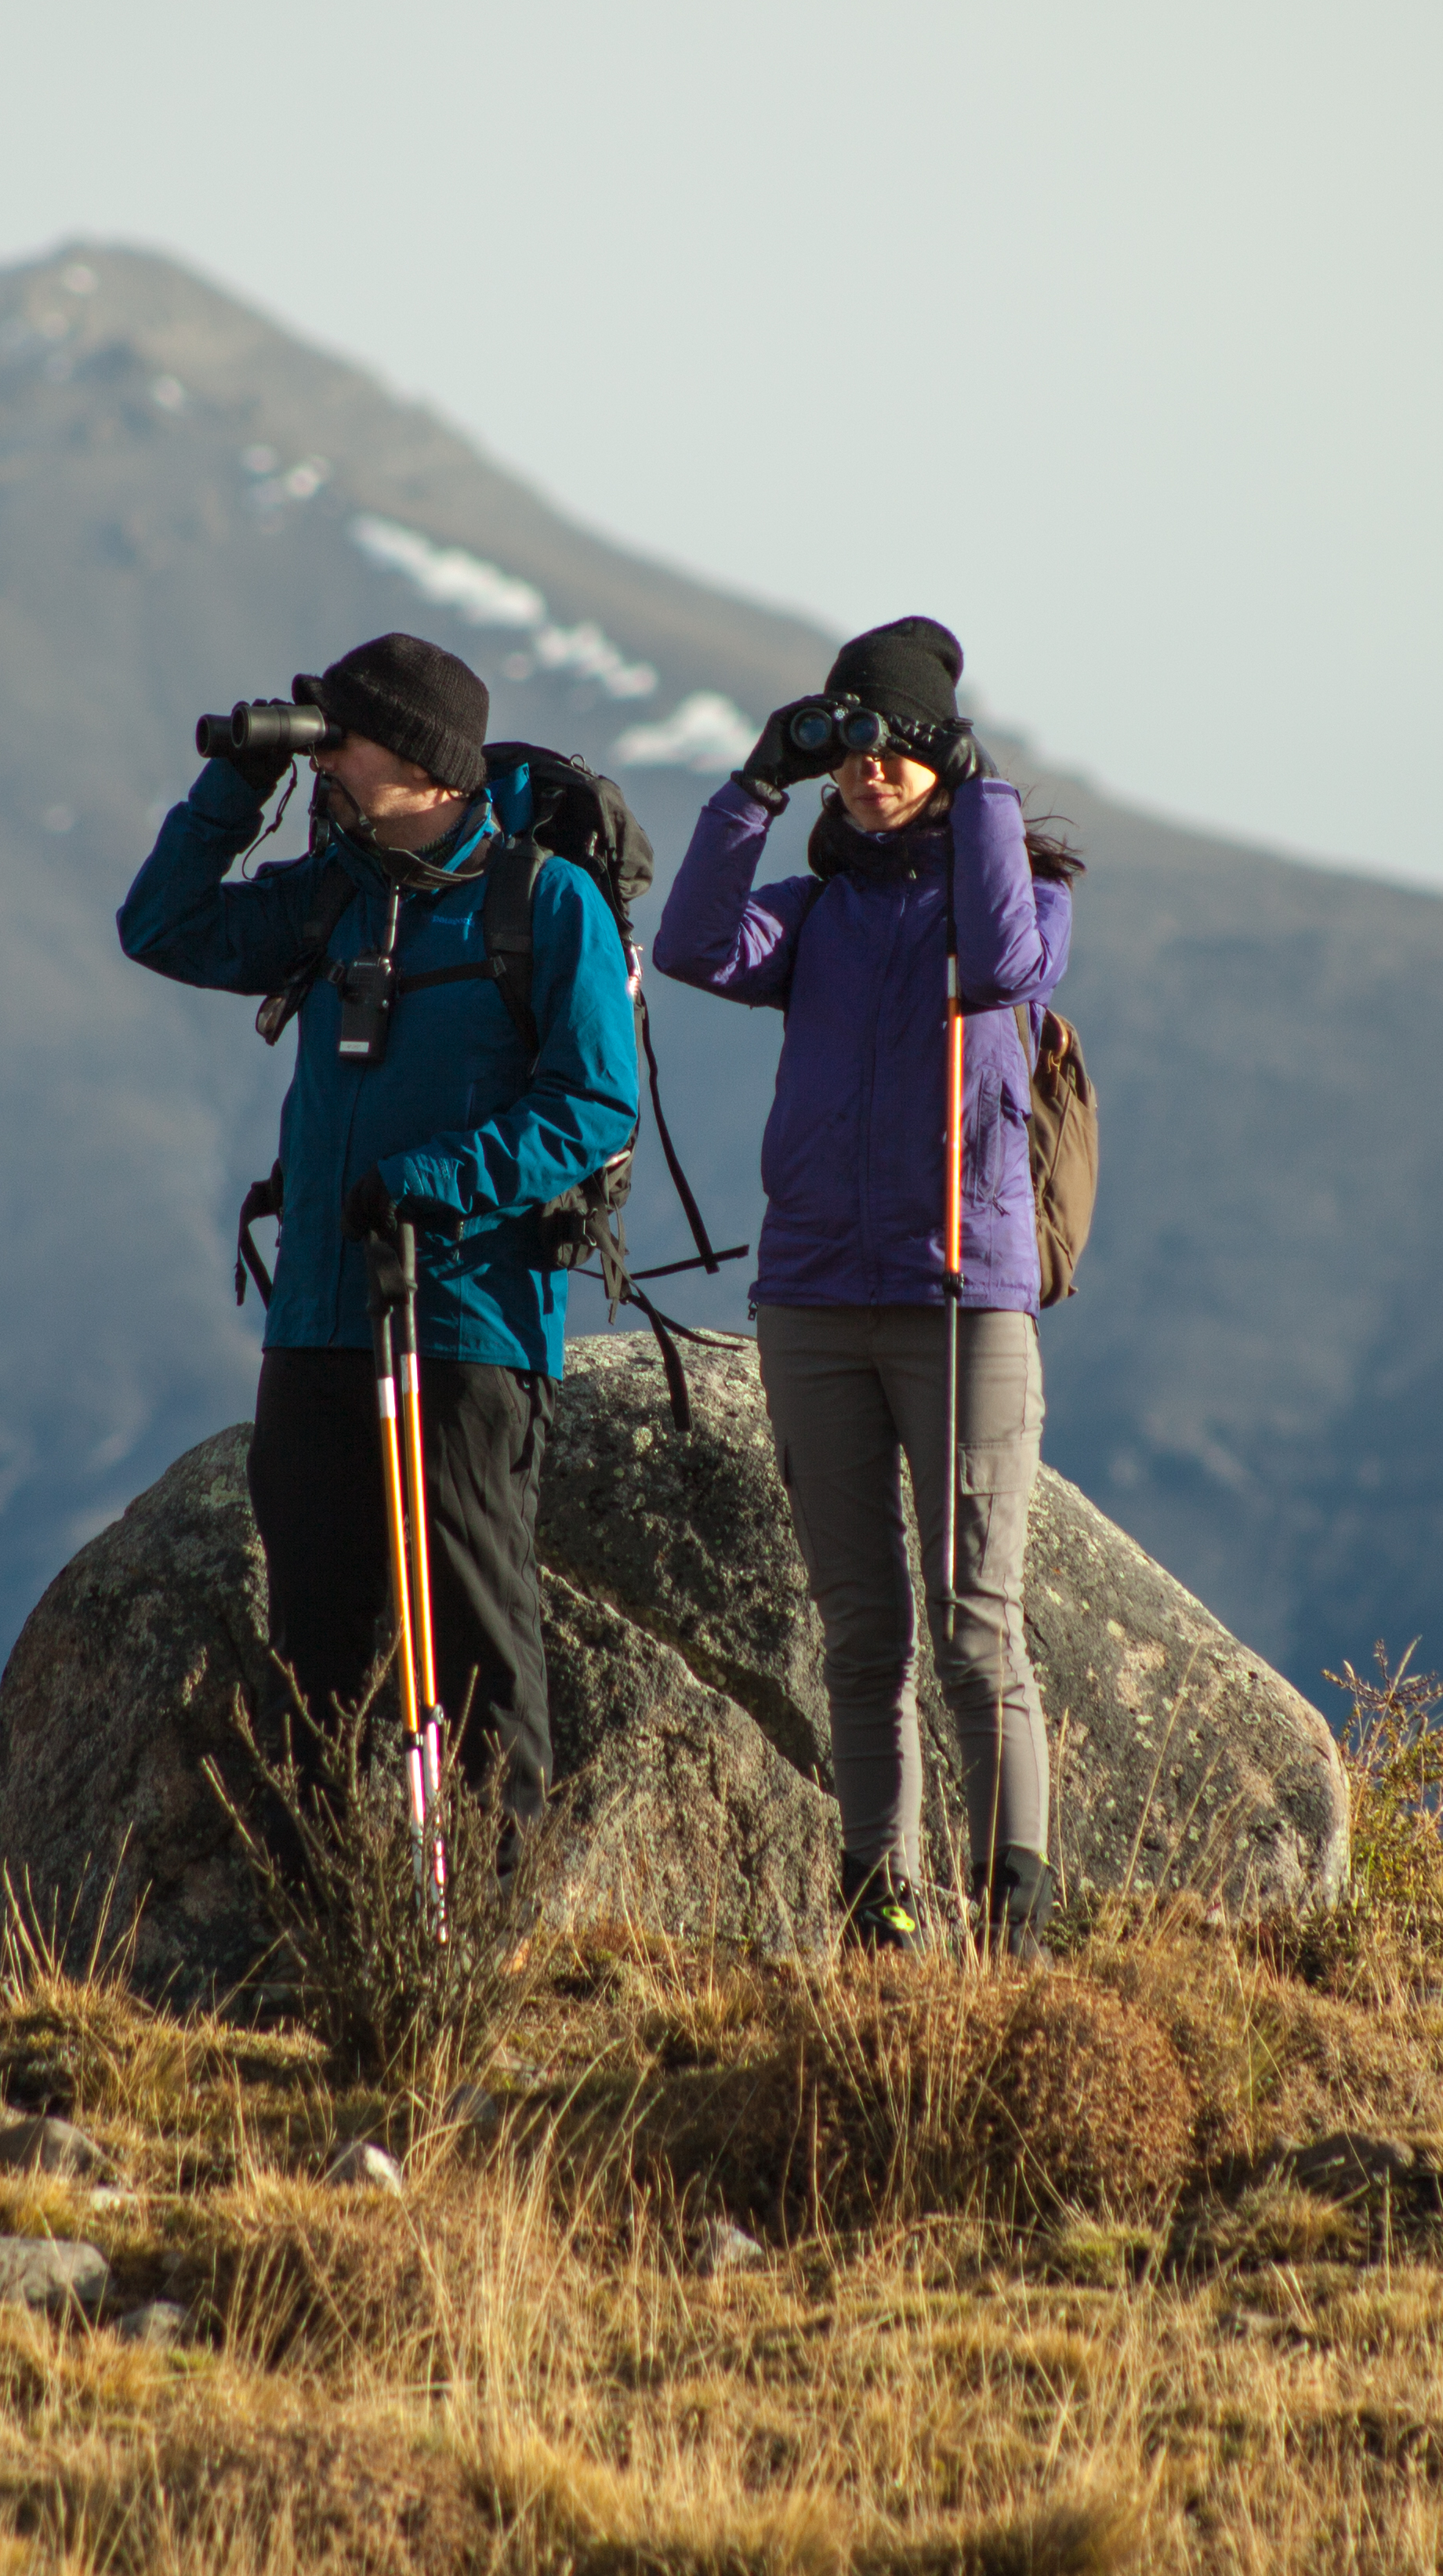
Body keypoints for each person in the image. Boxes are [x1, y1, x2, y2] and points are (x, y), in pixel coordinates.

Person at [118, 630, 641, 1830]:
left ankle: (482, 1934)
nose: (327, 760)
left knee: (473, 1636)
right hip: (318, 1319)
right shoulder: (337, 897)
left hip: (464, 1323)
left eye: (341, 739)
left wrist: (440, 1180)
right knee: (314, 1644)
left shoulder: (544, 902)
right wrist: (235, 784)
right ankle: (336, 1927)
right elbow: (163, 927)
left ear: (423, 761)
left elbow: (596, 1103)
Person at [651, 615, 1080, 1954]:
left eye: (893, 744)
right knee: (859, 1631)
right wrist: (752, 786)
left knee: (972, 1626)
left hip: (963, 1301)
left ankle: (1014, 1912)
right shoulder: (816, 911)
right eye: (849, 745)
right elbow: (693, 947)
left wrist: (984, 785)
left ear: (940, 757)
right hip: (815, 1300)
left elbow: (1008, 962)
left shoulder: (1014, 896)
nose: (869, 770)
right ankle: (875, 1902)